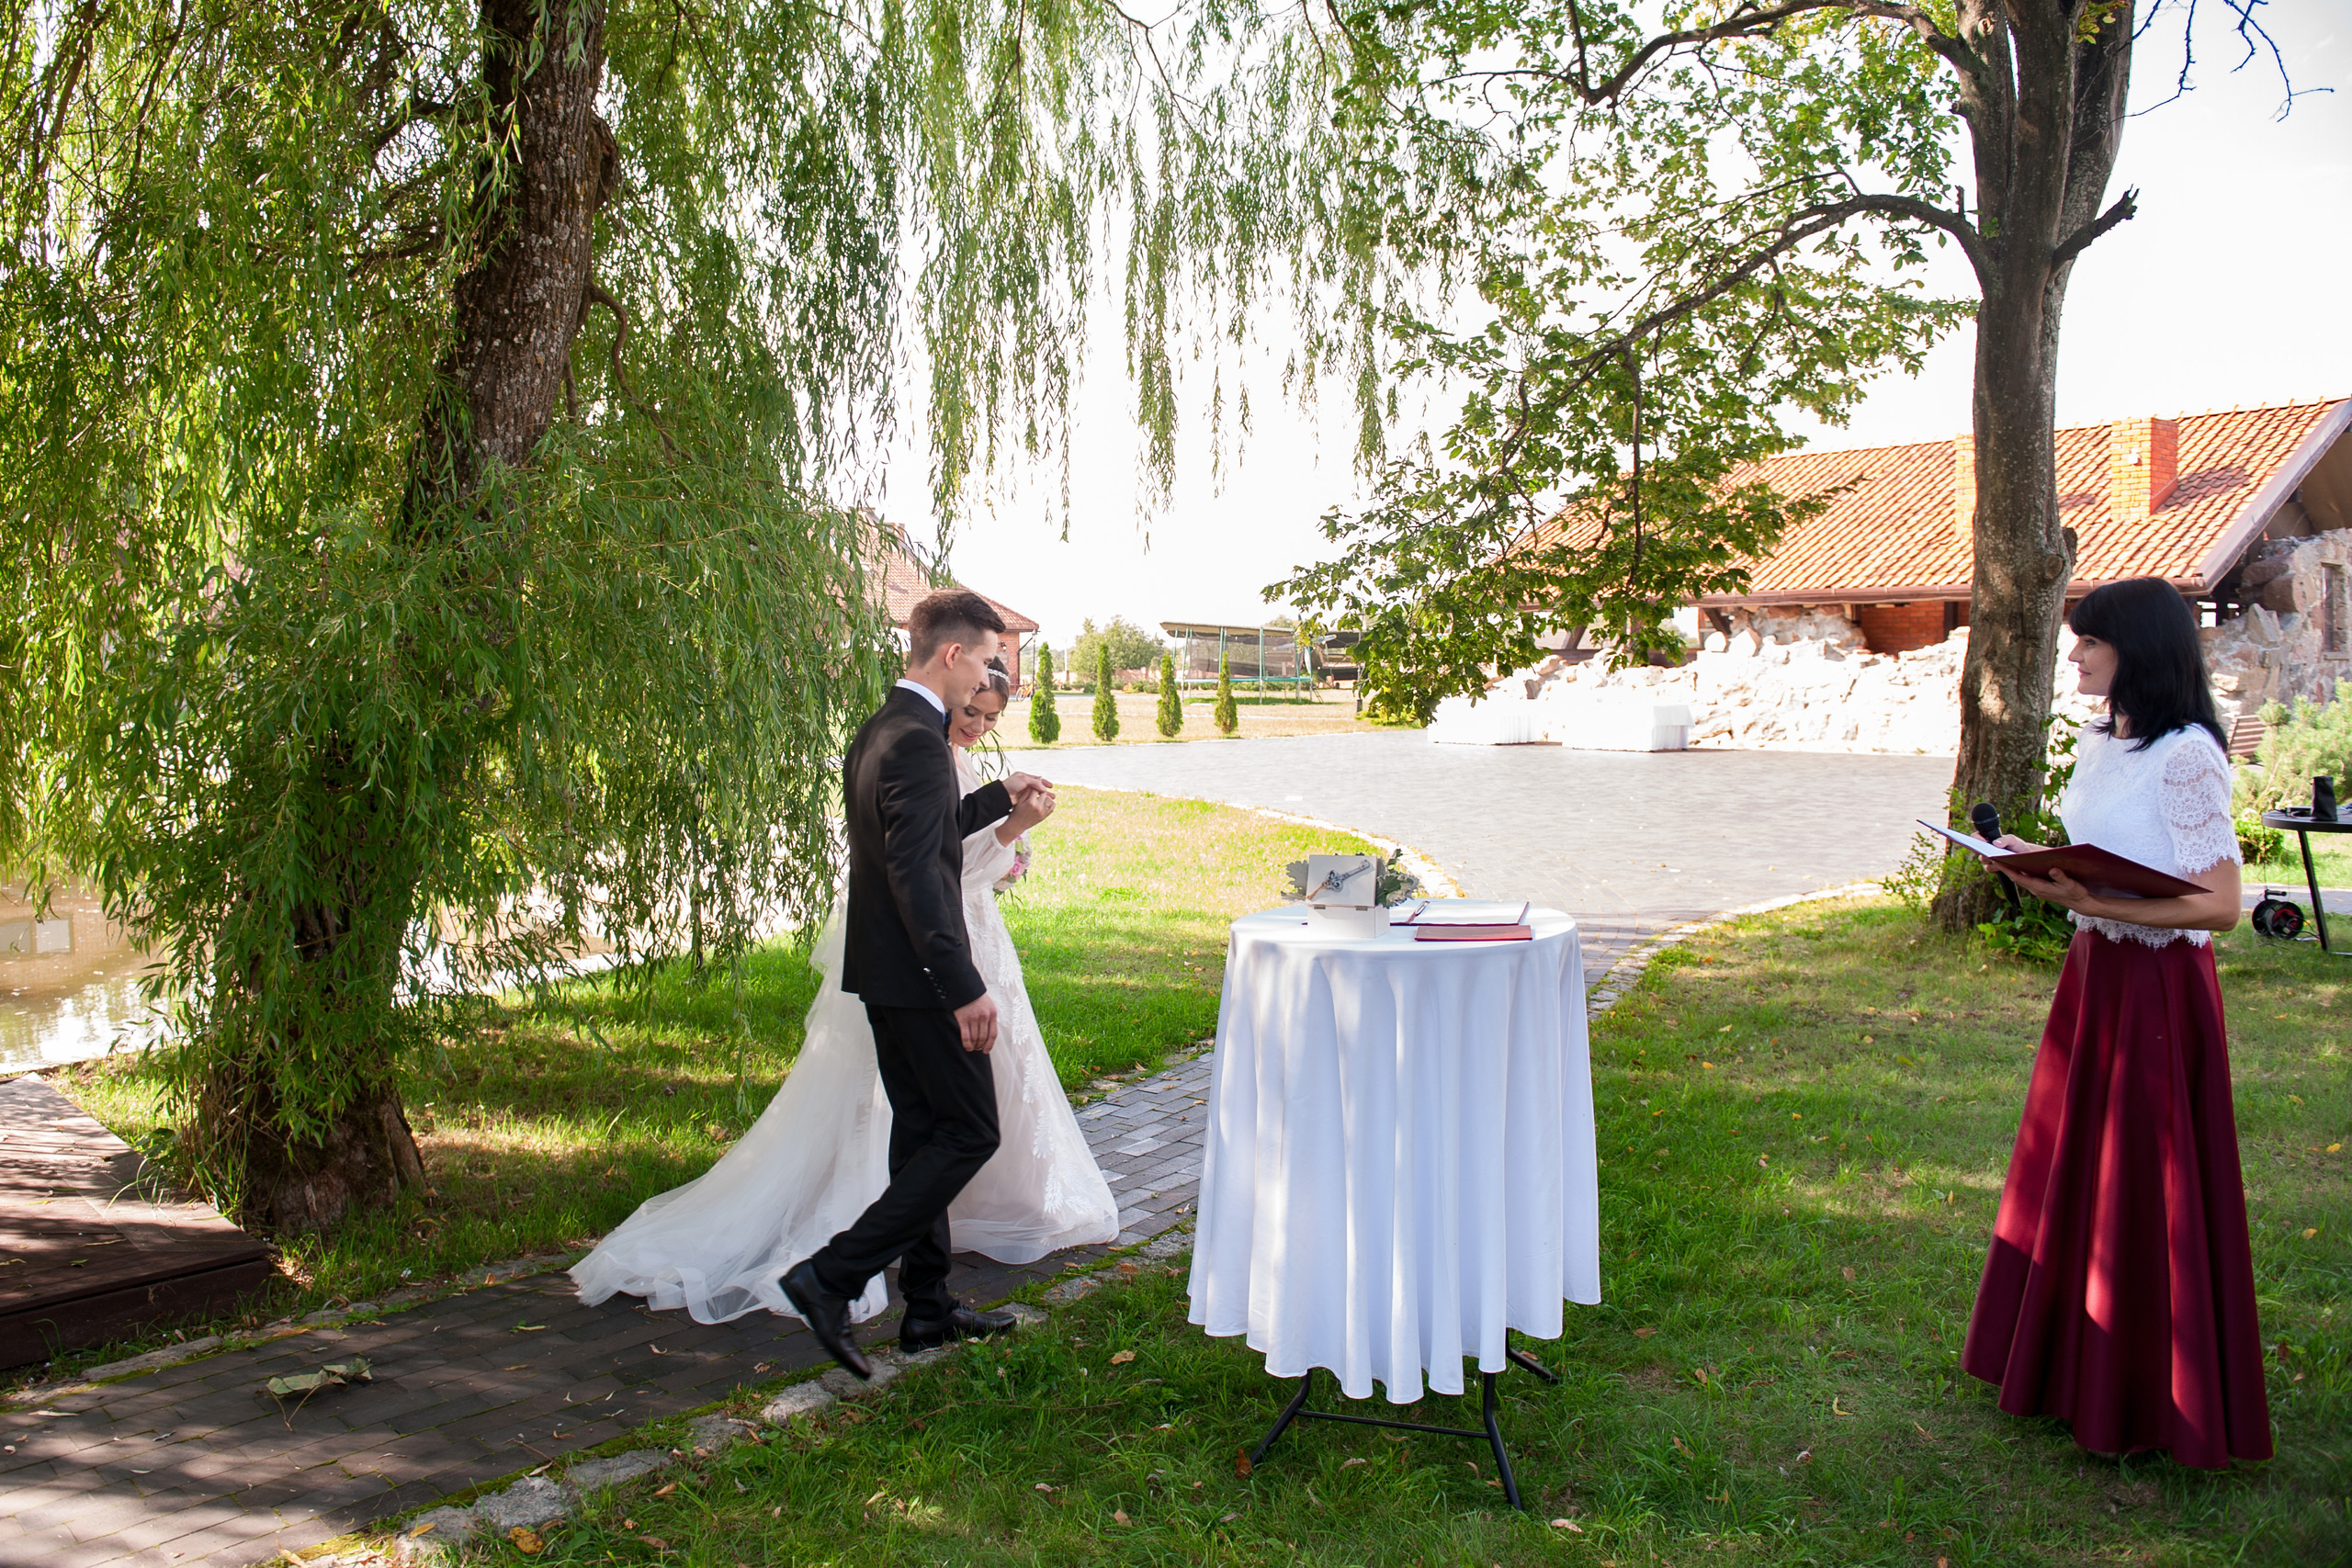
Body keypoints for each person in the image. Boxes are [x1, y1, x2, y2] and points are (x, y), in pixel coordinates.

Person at [569, 591, 1072, 1377]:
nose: (985, 677)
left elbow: (920, 837)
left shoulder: (882, 729)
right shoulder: (917, 742)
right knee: (971, 1131)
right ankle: (829, 1276)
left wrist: (993, 800)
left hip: (886, 974)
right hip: (924, 977)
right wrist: (964, 985)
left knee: (920, 1135)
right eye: (982, 660)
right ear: (951, 654)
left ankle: (928, 1309)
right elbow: (917, 879)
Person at [1960, 576, 2271, 1469]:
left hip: (2158, 989)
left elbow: (2220, 905)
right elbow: (2111, 856)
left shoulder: (2188, 754)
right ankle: (2065, 1368)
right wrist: (2035, 862)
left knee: (2142, 1179)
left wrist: (2096, 901)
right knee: (2077, 1165)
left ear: (2137, 648)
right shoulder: (2104, 740)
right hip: (2095, 972)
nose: (2077, 654)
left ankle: (2147, 1396)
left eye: (2090, 640)